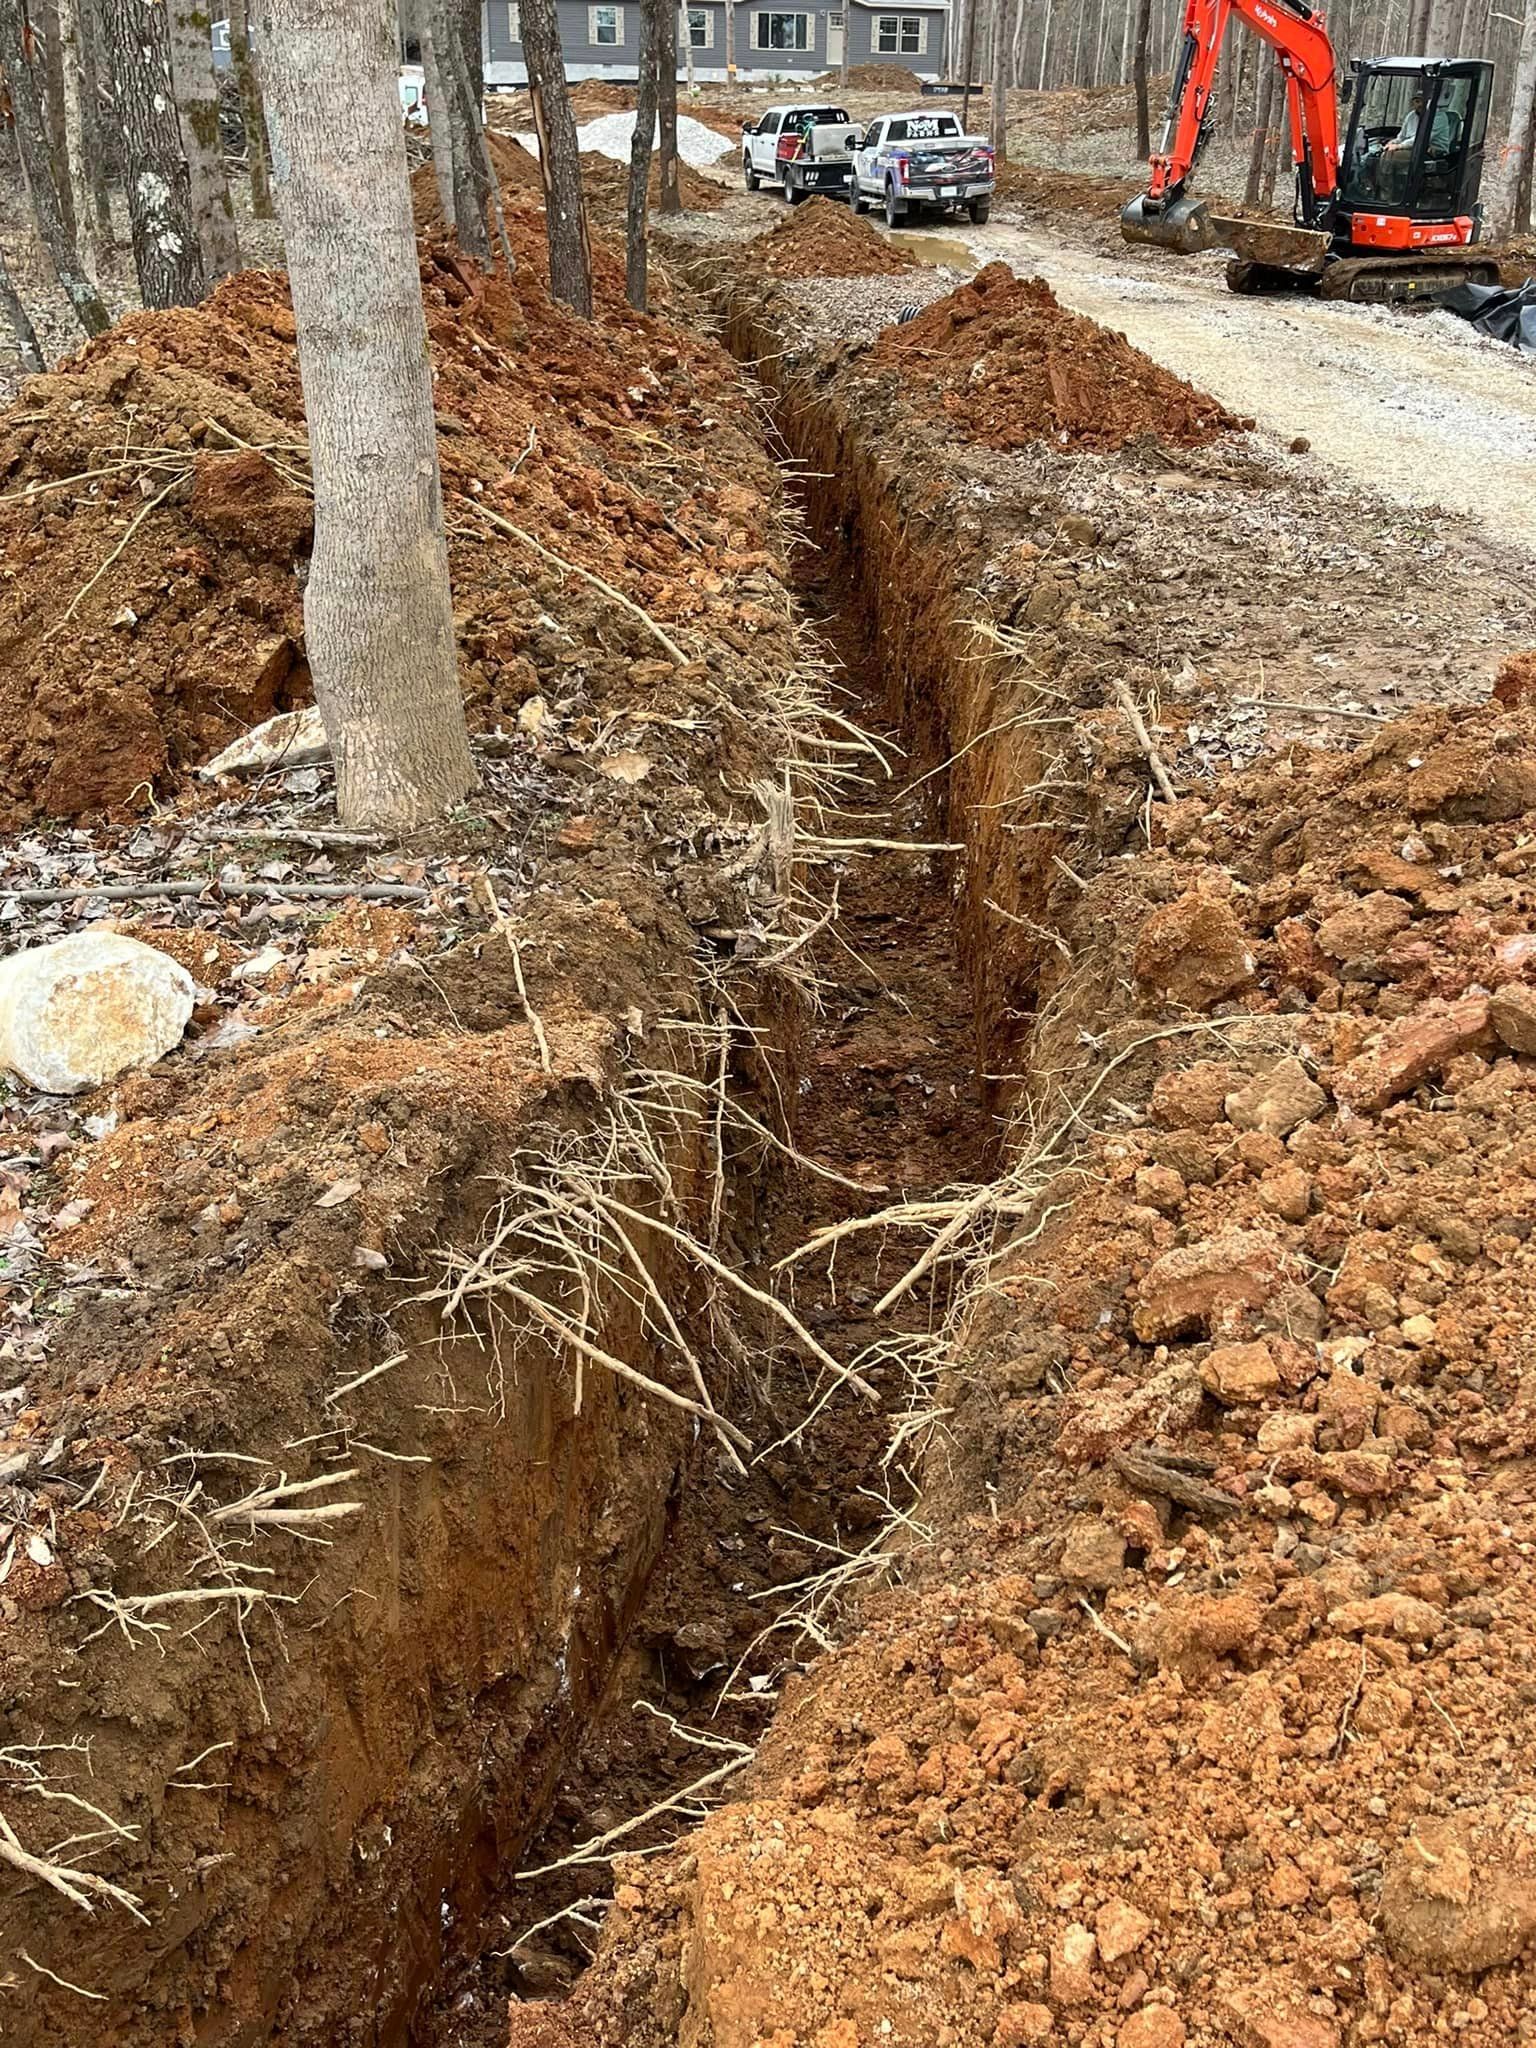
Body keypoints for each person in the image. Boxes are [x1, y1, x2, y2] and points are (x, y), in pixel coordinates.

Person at [1373, 88, 1457, 202]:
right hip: (1412, 149)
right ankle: (1386, 191)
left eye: (1423, 101)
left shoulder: (1438, 117)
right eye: (1417, 101)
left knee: (1390, 157)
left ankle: (1387, 196)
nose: (1419, 104)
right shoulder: (1411, 116)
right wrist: (1393, 143)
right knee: (1381, 154)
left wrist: (1399, 146)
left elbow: (1421, 139)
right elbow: (1402, 136)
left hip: (1433, 152)